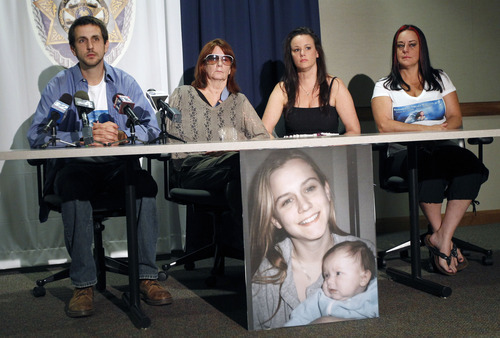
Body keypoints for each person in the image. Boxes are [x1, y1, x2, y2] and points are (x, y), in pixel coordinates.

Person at [27, 16, 171, 318]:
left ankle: (146, 276)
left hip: (118, 167)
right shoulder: (60, 86)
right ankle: (83, 284)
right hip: (78, 167)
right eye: (82, 40)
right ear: (72, 48)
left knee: (144, 185)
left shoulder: (124, 83)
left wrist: (123, 135)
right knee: (73, 186)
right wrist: (78, 138)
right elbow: (36, 134)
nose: (90, 46)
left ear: (106, 44)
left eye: (95, 39)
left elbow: (151, 128)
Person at [371, 24, 489, 276]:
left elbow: (455, 117)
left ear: (421, 49)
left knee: (471, 168)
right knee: (429, 168)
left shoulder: (440, 78)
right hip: (403, 153)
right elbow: (384, 125)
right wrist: (425, 131)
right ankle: (444, 240)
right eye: (400, 45)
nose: (405, 50)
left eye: (412, 44)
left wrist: (439, 133)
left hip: (441, 146)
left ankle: (441, 238)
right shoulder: (384, 86)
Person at [249, 149, 375, 330]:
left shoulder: (366, 252)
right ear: (275, 219)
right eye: (287, 201)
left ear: (326, 191)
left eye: (309, 188)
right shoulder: (263, 279)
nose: (304, 205)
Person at [166, 38, 270, 246]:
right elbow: (171, 138)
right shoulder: (183, 94)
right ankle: (256, 248)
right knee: (239, 166)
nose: (220, 63)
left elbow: (263, 137)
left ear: (232, 68)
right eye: (213, 58)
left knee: (238, 179)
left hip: (230, 167)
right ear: (203, 65)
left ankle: (250, 250)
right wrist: (210, 152)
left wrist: (230, 148)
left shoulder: (239, 101)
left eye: (226, 59)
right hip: (191, 169)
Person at [262, 27, 360, 137]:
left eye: (308, 48)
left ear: (317, 52)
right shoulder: (282, 89)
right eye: (296, 50)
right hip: (293, 153)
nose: (302, 53)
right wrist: (280, 151)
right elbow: (264, 132)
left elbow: (354, 130)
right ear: (291, 55)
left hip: (330, 151)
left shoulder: (335, 86)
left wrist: (335, 148)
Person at [284, 240, 378, 327]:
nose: (328, 281)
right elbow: (299, 318)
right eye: (327, 275)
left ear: (363, 278)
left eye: (338, 273)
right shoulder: (321, 298)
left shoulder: (374, 295)